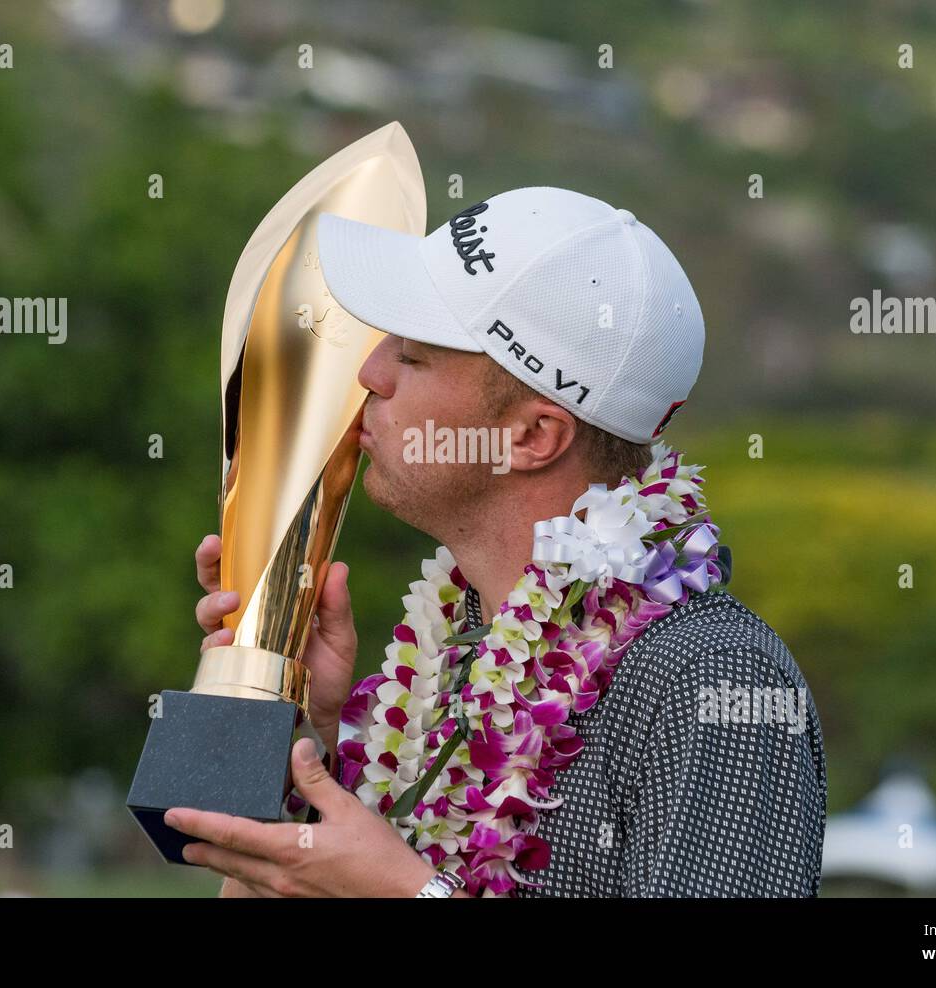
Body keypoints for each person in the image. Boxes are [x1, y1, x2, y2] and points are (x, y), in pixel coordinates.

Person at [167, 187, 827, 897]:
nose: (369, 373)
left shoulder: (717, 678)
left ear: (534, 436)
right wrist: (298, 715)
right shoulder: (453, 645)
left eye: (413, 357)